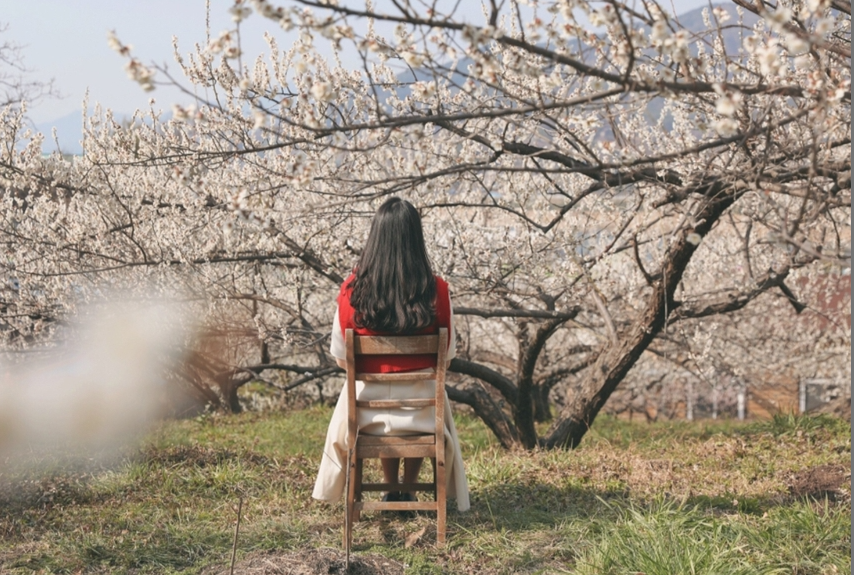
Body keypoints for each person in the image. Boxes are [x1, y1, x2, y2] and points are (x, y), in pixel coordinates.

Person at [312, 197, 470, 513]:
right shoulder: (437, 291)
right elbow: (447, 358)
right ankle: (407, 490)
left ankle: (393, 489)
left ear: (376, 238)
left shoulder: (351, 292)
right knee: (419, 397)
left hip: (366, 416)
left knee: (369, 394)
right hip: (423, 414)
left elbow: (343, 360)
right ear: (416, 238)